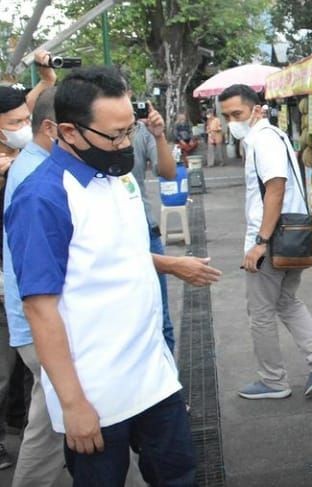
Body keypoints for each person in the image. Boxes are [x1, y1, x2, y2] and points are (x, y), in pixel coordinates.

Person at [5, 66, 209, 485]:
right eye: (114, 135)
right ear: (68, 131)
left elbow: (117, 255)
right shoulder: (44, 196)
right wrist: (73, 404)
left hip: (154, 378)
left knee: (179, 476)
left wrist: (170, 264)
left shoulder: (119, 179)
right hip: (95, 394)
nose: (124, 144)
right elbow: (40, 309)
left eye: (128, 131)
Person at [218, 84, 312, 399]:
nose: (233, 121)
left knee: (260, 311)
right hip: (290, 237)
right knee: (286, 301)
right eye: (227, 116)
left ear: (256, 109)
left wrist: (260, 242)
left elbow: (275, 189)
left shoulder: (262, 140)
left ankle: (273, 381)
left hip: (272, 240)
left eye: (237, 114)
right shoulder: (275, 137)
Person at [0, 49, 56, 470]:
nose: (22, 127)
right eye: (14, 124)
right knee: (48, 414)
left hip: (25, 311)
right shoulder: (27, 175)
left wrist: (45, 77)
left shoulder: (24, 163)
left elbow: (37, 97)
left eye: (25, 120)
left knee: (49, 411)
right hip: (27, 313)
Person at [132, 103, 178, 352]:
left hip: (145, 227)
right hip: (111, 234)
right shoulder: (88, 135)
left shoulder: (141, 131)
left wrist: (159, 135)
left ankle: (169, 385)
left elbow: (168, 172)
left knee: (161, 316)